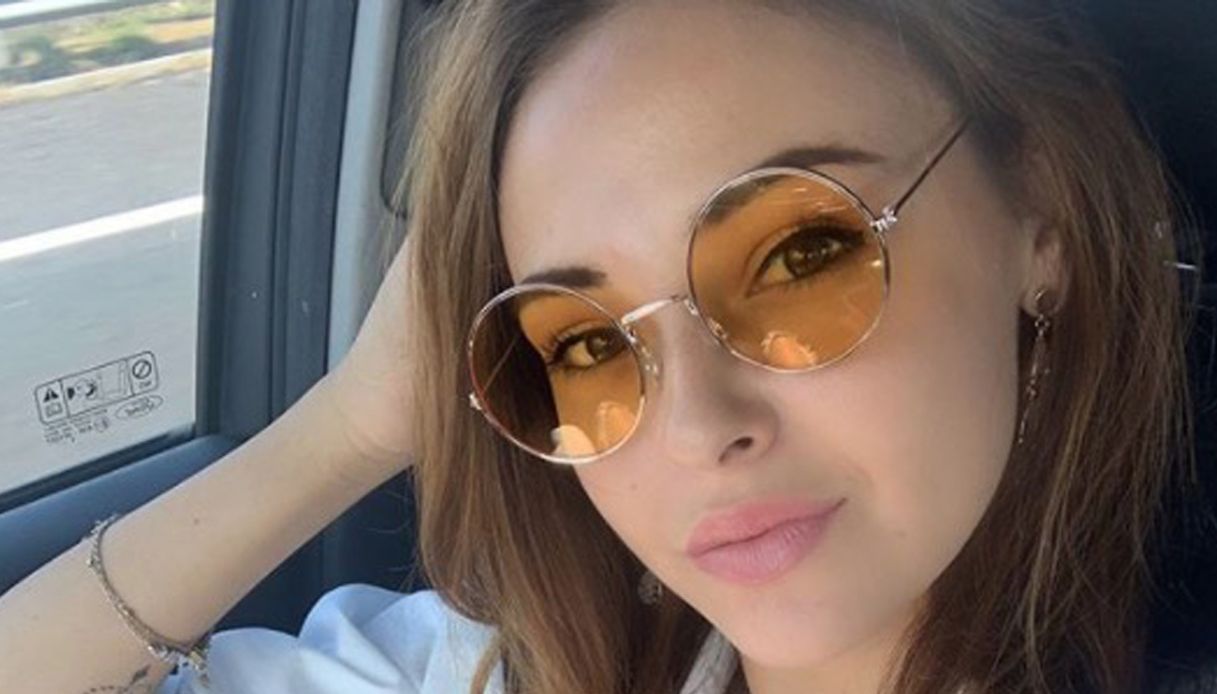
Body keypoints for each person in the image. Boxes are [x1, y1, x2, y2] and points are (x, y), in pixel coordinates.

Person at [0, 0, 1205, 692]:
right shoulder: (489, 672)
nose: (693, 430)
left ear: (1038, 219)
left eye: (797, 256)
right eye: (580, 343)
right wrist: (349, 423)